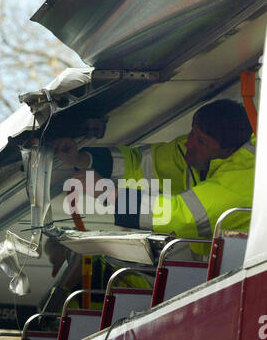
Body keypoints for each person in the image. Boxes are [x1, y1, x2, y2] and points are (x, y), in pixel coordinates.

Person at [55, 99, 255, 256]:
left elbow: (181, 216)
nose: (189, 143)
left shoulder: (247, 175)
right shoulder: (197, 152)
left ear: (228, 150)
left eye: (201, 141)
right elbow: (139, 163)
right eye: (192, 133)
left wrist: (110, 195)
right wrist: (82, 158)